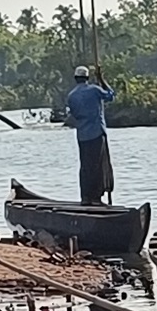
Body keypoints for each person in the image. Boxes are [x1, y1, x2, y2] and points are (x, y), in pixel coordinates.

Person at [61, 62, 113, 205]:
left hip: (82, 136)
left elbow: (74, 115)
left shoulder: (71, 96)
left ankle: (86, 197)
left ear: (75, 78)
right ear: (87, 78)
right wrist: (102, 81)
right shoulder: (95, 90)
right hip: (97, 133)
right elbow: (110, 96)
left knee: (85, 166)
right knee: (97, 165)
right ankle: (96, 198)